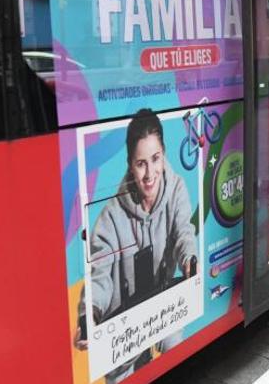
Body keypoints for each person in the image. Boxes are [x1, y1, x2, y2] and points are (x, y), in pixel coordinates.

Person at [76, 108, 197, 383]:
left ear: (164, 153)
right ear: (130, 164)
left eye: (155, 159)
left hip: (162, 306)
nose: (149, 173)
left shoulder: (176, 188)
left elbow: (183, 235)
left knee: (174, 345)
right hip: (126, 325)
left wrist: (190, 260)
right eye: (140, 163)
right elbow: (100, 276)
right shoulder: (110, 216)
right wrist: (90, 315)